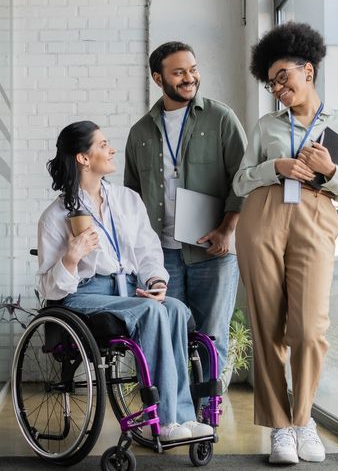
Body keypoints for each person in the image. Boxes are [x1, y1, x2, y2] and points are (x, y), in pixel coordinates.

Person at [234, 22, 338, 464]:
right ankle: (281, 427)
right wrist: (274, 166)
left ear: (307, 70)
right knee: (267, 324)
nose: (277, 88)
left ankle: (304, 419)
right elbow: (240, 181)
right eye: (270, 81)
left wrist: (332, 172)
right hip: (264, 215)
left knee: (310, 329)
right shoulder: (265, 126)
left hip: (316, 214)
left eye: (283, 77)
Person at [37, 120, 213, 442]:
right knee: (151, 312)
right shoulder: (56, 216)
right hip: (84, 296)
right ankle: (164, 420)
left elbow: (148, 251)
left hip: (130, 288)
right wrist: (72, 257)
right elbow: (50, 289)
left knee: (172, 308)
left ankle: (182, 417)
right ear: (83, 158)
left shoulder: (127, 200)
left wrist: (157, 281)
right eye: (103, 144)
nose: (111, 148)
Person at [124, 41, 247, 383]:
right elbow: (131, 199)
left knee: (212, 336)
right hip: (161, 255)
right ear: (157, 78)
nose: (189, 78)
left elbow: (243, 177)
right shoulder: (140, 133)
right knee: (167, 334)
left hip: (213, 250)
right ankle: (176, 416)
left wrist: (228, 229)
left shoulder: (221, 118)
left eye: (193, 70)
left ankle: (207, 421)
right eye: (178, 72)